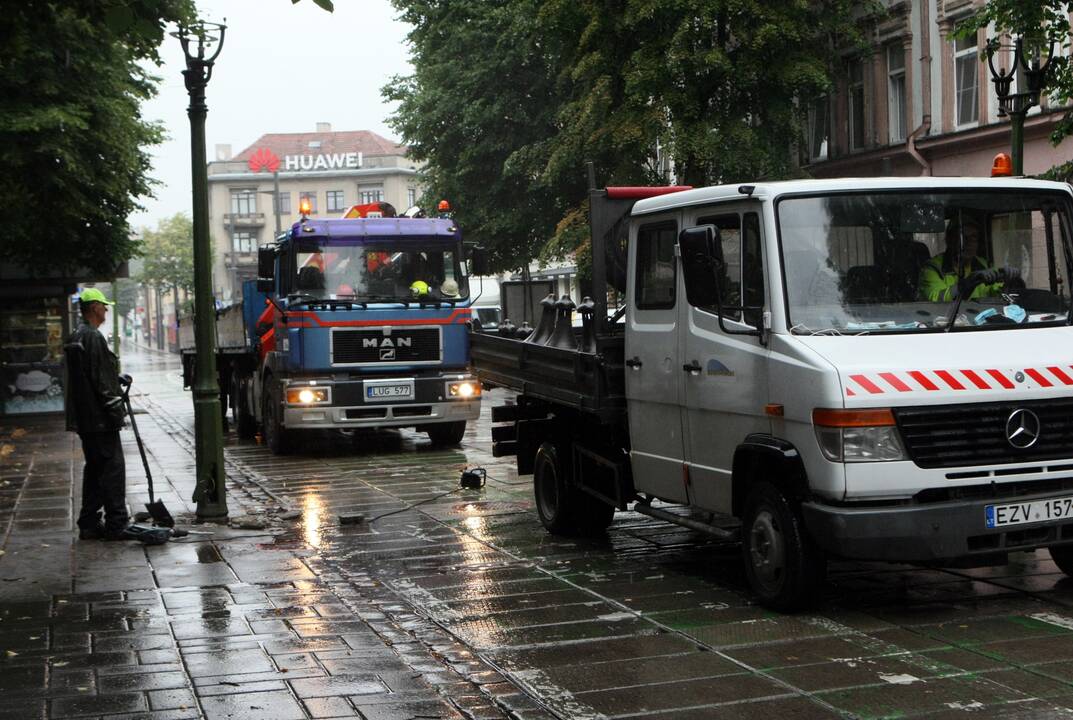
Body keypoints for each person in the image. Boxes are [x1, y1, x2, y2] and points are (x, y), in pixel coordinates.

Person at [64, 288, 130, 540]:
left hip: (85, 419)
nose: (106, 310)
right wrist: (116, 412)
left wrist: (115, 377)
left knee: (94, 470)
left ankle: (89, 523)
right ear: (93, 307)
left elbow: (91, 374)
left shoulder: (77, 335)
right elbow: (101, 381)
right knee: (112, 471)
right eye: (103, 306)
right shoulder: (93, 337)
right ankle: (117, 523)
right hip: (100, 419)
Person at [919, 219, 1013, 302]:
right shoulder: (932, 269)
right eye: (962, 237)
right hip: (948, 321)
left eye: (973, 237)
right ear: (950, 240)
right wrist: (968, 283)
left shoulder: (984, 264)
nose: (969, 243)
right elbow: (937, 303)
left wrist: (1008, 282)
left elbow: (997, 294)